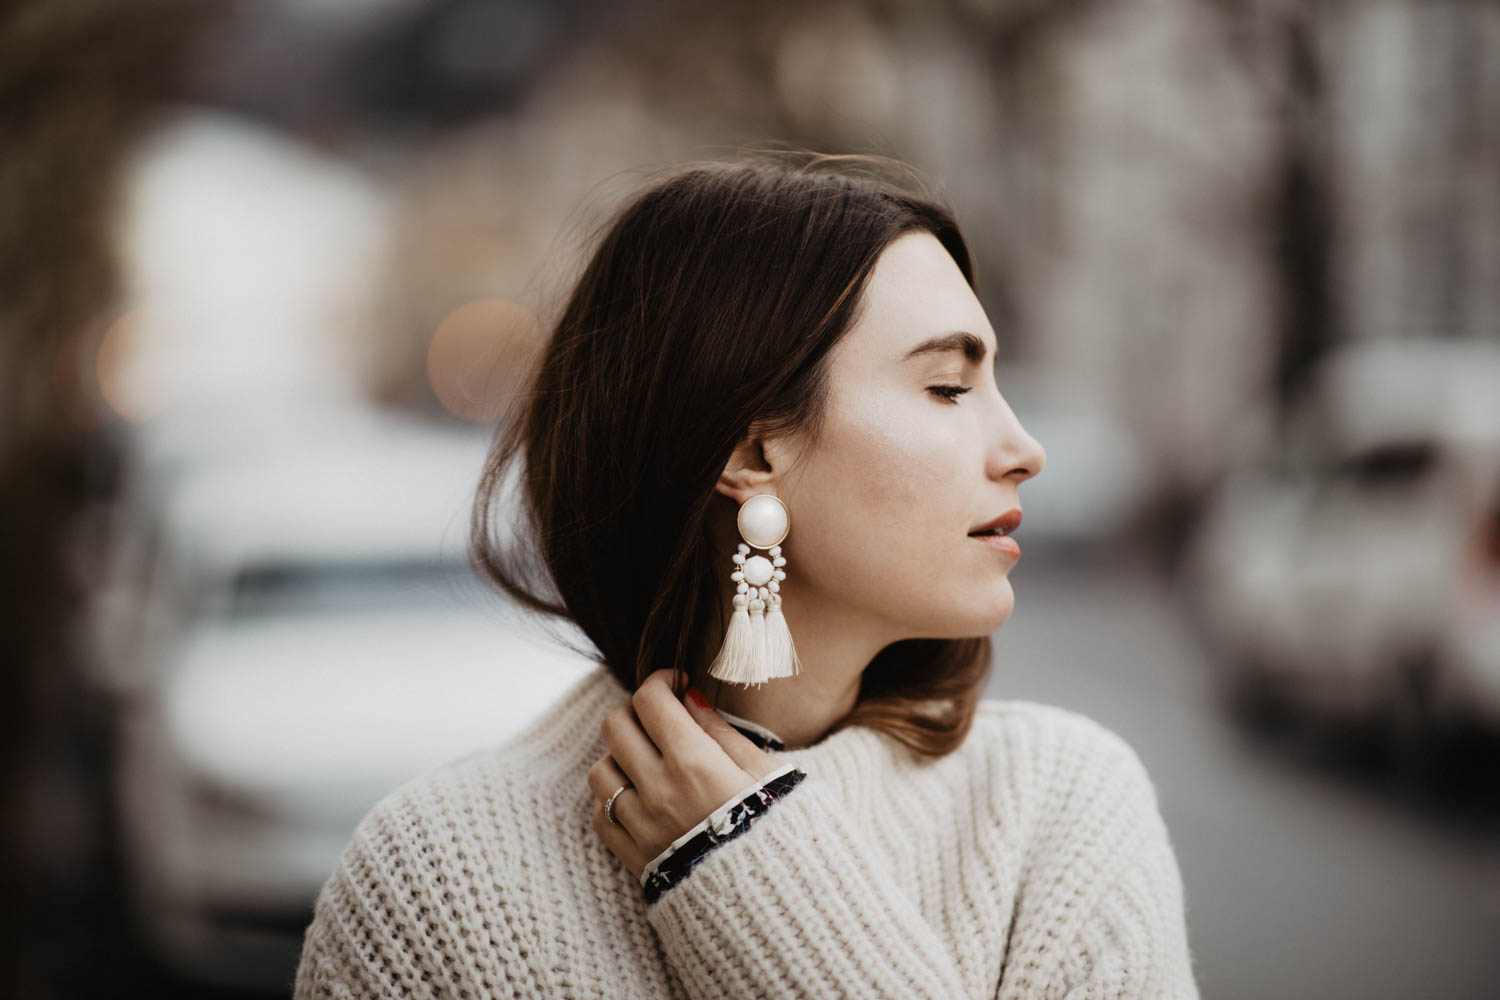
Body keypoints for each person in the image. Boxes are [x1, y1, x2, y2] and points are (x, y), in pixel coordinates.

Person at [293, 152, 1201, 998]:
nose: (1025, 450)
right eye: (949, 388)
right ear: (753, 447)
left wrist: (744, 873)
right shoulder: (438, 881)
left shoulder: (1059, 806)